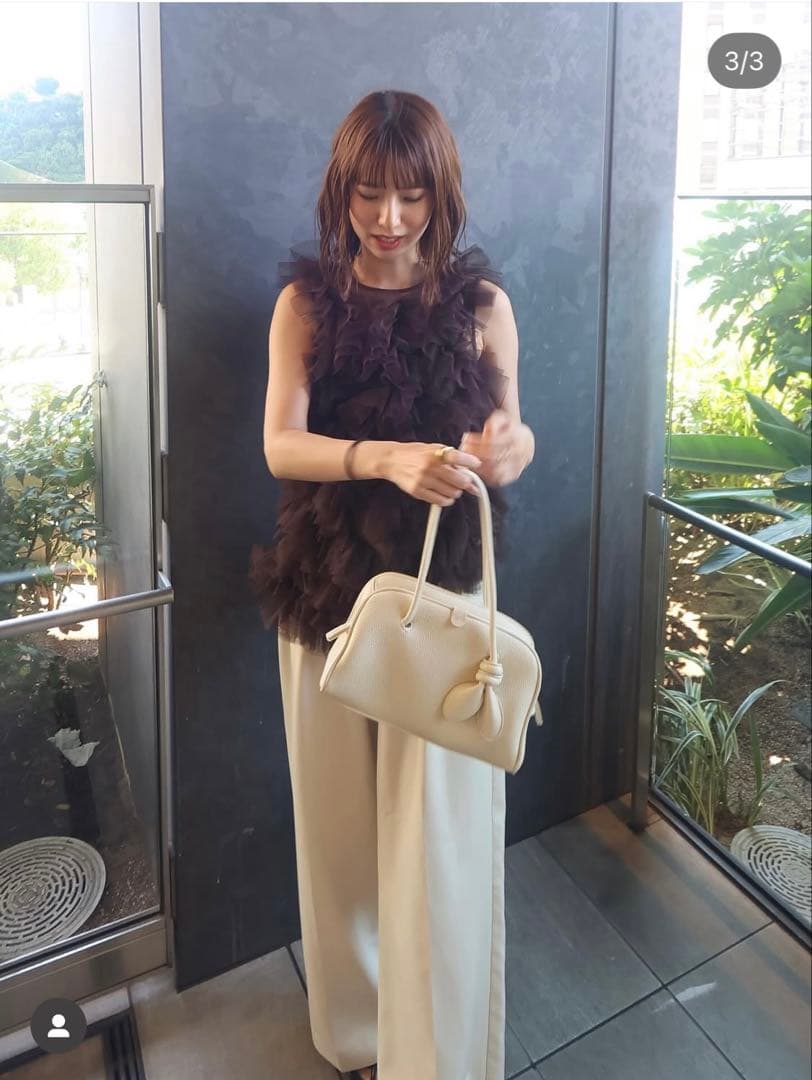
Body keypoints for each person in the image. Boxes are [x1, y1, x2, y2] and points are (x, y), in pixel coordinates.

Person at [249, 89, 534, 1080]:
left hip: (443, 604)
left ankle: (437, 1050)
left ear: (439, 195)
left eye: (410, 195)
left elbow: (513, 433)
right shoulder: (306, 304)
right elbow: (279, 443)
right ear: (342, 189)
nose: (388, 217)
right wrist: (383, 458)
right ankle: (358, 1037)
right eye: (369, 192)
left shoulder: (482, 307)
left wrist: (506, 449)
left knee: (441, 843)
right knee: (336, 836)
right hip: (324, 589)